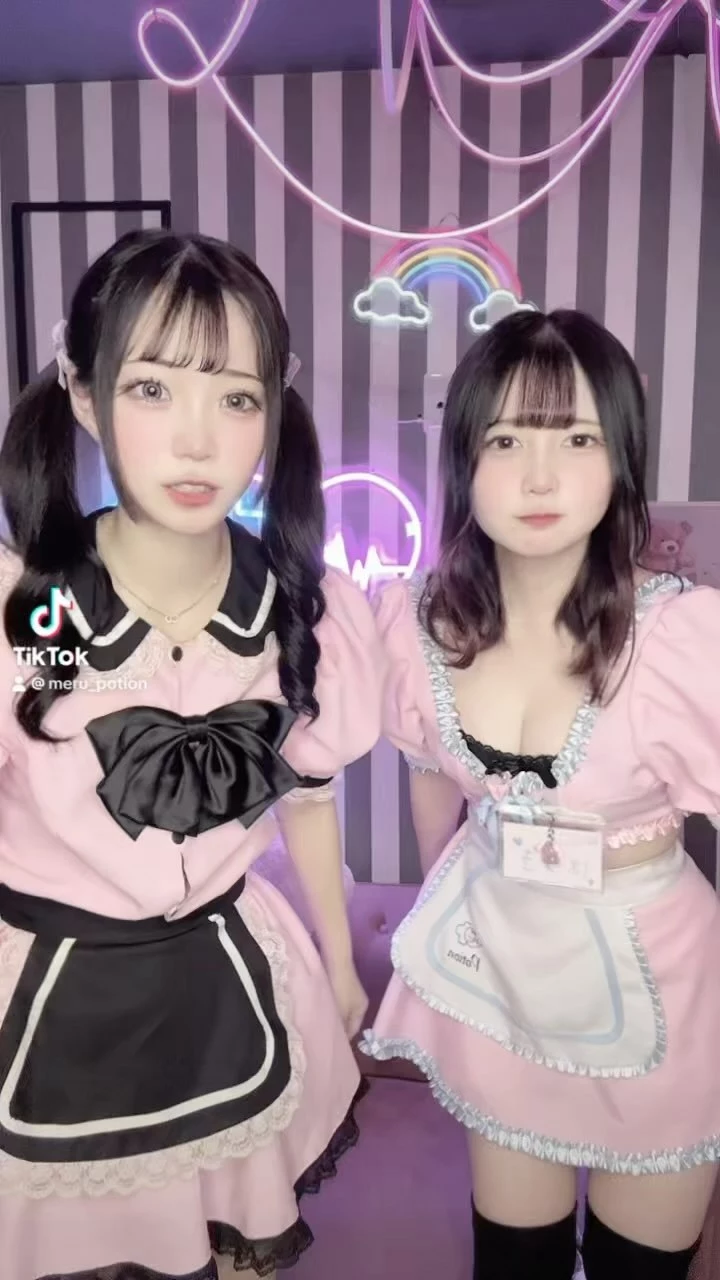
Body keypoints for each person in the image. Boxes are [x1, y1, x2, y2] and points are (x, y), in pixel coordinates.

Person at [0, 228, 381, 1280]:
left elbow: (309, 793)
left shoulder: (299, 612)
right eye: (153, 389)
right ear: (85, 397)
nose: (199, 441)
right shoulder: (38, 607)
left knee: (236, 1245)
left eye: (237, 398)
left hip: (229, 981)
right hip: (49, 985)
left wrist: (341, 962)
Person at [361, 310, 720, 1280]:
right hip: (504, 975)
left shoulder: (682, 638)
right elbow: (429, 771)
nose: (540, 477)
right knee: (513, 1260)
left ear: (621, 459)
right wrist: (446, 903)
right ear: (464, 459)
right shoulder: (423, 625)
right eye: (507, 439)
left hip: (659, 984)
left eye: (577, 440)